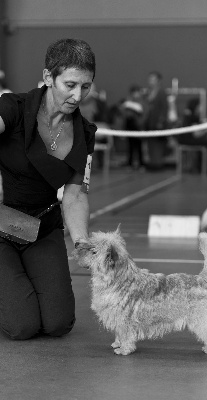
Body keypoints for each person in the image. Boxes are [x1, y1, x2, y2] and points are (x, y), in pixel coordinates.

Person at [0, 38, 97, 340]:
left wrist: (81, 242)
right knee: (22, 327)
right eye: (70, 84)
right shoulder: (12, 108)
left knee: (58, 324)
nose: (77, 95)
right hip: (0, 225)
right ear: (48, 78)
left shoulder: (85, 133)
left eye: (86, 86)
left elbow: (75, 193)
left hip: (41, 228)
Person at [176, 97, 207, 173]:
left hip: (185, 139)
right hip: (187, 140)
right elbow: (196, 135)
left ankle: (202, 166)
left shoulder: (189, 116)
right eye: (199, 106)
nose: (201, 108)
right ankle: (205, 168)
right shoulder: (191, 117)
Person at [144, 71, 168, 170]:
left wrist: (161, 121)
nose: (150, 81)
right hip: (149, 122)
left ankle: (158, 163)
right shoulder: (148, 93)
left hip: (158, 123)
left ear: (158, 81)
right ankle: (152, 162)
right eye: (149, 79)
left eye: (153, 79)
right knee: (150, 143)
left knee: (158, 144)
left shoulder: (162, 93)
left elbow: (164, 108)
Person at [122, 85, 145, 170]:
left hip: (138, 127)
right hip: (129, 127)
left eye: (137, 92)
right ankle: (130, 163)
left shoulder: (142, 102)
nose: (136, 94)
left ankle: (141, 164)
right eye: (134, 92)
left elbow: (142, 112)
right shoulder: (127, 103)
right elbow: (125, 115)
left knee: (139, 146)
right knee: (130, 146)